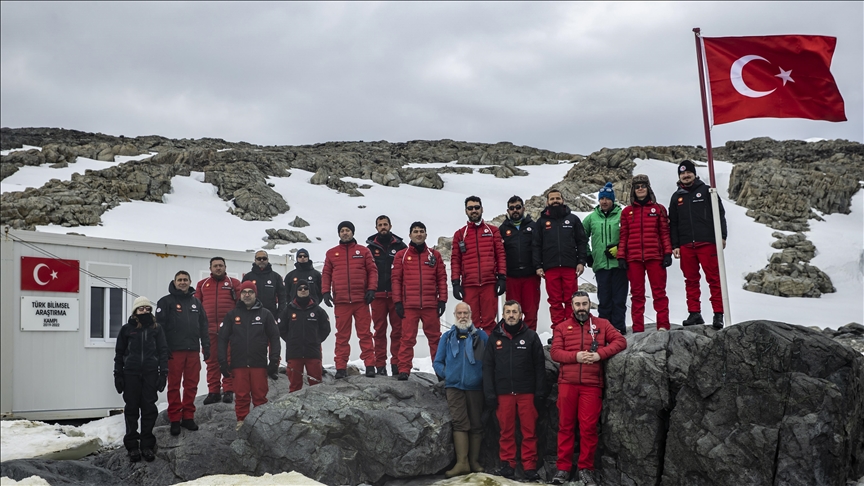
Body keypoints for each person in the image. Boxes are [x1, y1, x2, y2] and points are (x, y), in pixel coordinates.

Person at [550, 291, 626, 486]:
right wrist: (576, 357)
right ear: (572, 306)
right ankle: (563, 469)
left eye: (584, 304)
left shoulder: (602, 324)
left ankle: (586, 469)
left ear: (589, 304)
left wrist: (600, 355)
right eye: (578, 304)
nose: (581, 308)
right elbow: (555, 352)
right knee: (565, 427)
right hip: (567, 383)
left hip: (591, 385)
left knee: (589, 429)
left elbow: (620, 341)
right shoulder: (561, 327)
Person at [483, 301, 545, 482]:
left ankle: (529, 466)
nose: (511, 315)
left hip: (527, 393)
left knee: (529, 431)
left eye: (514, 312)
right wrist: (490, 394)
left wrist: (540, 392)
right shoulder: (494, 338)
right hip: (503, 394)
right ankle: (508, 464)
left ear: (521, 315)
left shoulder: (531, 337)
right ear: (503, 314)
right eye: (508, 311)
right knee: (506, 431)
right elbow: (487, 368)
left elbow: (539, 367)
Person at [669, 160, 728, 329]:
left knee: (714, 279)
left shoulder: (707, 191)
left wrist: (722, 236)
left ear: (694, 173)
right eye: (682, 174)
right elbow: (673, 223)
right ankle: (694, 313)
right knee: (691, 280)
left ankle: (718, 314)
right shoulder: (676, 197)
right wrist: (676, 245)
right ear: (679, 176)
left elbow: (720, 214)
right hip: (686, 245)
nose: (686, 176)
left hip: (707, 242)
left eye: (688, 172)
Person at [432, 302, 489, 478]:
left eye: (465, 313)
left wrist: (481, 377)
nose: (462, 316)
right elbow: (437, 361)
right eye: (459, 313)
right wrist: (447, 374)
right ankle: (462, 463)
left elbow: (489, 361)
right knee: (459, 423)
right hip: (454, 387)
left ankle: (474, 462)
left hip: (476, 387)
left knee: (476, 424)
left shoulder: (481, 336)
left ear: (470, 314)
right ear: (455, 315)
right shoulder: (447, 337)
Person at [218, 281, 281, 430]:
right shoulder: (232, 315)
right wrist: (222, 361)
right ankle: (242, 421)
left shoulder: (265, 314)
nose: (247, 294)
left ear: (255, 294)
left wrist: (273, 361)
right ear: (240, 295)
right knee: (241, 396)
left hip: (258, 364)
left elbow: (274, 338)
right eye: (244, 292)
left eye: (250, 292)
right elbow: (222, 339)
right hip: (238, 364)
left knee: (260, 396)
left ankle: (261, 423)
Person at [114, 296, 169, 463]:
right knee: (131, 409)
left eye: (147, 308)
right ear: (135, 311)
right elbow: (119, 354)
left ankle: (146, 444)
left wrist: (163, 374)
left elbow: (163, 352)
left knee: (149, 409)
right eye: (141, 308)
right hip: (130, 374)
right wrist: (118, 374)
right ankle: (132, 445)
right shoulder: (126, 330)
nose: (144, 311)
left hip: (150, 374)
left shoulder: (156, 329)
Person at [321, 221, 379, 378]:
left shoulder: (363, 251)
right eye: (342, 230)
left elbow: (372, 271)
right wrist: (325, 292)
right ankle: (340, 367)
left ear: (352, 232)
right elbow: (326, 273)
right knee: (342, 336)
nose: (345, 233)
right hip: (341, 302)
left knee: (365, 334)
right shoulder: (331, 253)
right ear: (338, 233)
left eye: (347, 230)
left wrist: (371, 289)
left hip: (361, 301)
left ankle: (370, 365)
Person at [156, 271, 209, 436]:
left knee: (191, 385)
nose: (183, 282)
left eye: (185, 280)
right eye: (180, 280)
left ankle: (188, 417)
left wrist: (206, 347)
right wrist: (162, 350)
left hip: (192, 350)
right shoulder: (165, 302)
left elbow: (204, 327)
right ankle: (174, 419)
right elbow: (159, 329)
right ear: (174, 282)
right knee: (173, 386)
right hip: (174, 351)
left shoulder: (196, 303)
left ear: (190, 282)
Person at [392, 221, 447, 380]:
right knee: (407, 339)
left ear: (426, 234)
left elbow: (441, 278)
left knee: (435, 339)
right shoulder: (401, 256)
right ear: (410, 235)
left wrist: (442, 300)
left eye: (421, 231)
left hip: (430, 305)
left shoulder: (434, 255)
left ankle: (440, 372)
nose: (418, 234)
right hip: (409, 306)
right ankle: (404, 370)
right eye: (415, 231)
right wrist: (397, 302)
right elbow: (396, 280)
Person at [618, 175, 673, 332]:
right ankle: (638, 329)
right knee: (637, 295)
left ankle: (663, 325)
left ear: (648, 188)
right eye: (637, 186)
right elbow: (624, 236)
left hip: (655, 257)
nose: (640, 188)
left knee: (659, 293)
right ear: (633, 191)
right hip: (633, 259)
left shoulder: (659, 209)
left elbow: (664, 233)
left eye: (643, 186)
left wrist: (667, 253)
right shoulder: (627, 212)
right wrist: (621, 256)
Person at [533, 189, 589, 328]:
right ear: (547, 202)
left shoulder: (573, 219)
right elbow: (536, 245)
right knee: (555, 301)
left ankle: (573, 329)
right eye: (552, 199)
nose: (555, 201)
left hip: (570, 266)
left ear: (563, 200)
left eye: (558, 198)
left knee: (572, 300)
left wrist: (581, 261)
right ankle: (559, 330)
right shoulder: (541, 222)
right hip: (550, 268)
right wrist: (538, 266)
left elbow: (581, 241)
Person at [451, 196, 507, 334]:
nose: (474, 210)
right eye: (470, 208)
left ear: (482, 209)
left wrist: (502, 277)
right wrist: (455, 283)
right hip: (469, 285)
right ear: (466, 211)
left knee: (489, 321)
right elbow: (455, 260)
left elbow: (500, 255)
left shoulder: (492, 231)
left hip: (489, 283)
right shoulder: (460, 234)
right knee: (471, 321)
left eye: (476, 207)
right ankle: (472, 353)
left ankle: (489, 353)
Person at [582, 183, 628, 334]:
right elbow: (581, 238)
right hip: (601, 266)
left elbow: (630, 237)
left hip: (620, 265)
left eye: (607, 199)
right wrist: (588, 254)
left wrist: (619, 249)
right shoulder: (591, 218)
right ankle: (604, 330)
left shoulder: (623, 215)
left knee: (619, 300)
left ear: (613, 200)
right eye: (602, 198)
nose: (604, 201)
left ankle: (619, 328)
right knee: (605, 301)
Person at [196, 256, 241, 405]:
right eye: (215, 266)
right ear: (210, 268)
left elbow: (241, 305)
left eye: (221, 265)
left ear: (225, 267)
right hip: (209, 331)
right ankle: (213, 391)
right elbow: (196, 307)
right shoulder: (202, 285)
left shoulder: (234, 283)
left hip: (229, 331)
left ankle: (228, 390)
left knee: (229, 360)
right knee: (211, 362)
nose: (218, 268)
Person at [366, 215, 408, 376]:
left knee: (398, 331)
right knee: (379, 331)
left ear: (390, 226)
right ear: (376, 227)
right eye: (380, 225)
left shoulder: (400, 246)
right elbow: (366, 271)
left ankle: (396, 364)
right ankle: (380, 365)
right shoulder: (369, 248)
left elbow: (407, 270)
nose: (383, 227)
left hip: (395, 296)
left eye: (385, 224)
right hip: (377, 296)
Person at [278, 282, 331, 392]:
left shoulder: (318, 310)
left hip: (313, 353)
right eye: (300, 288)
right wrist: (291, 340)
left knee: (316, 386)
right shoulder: (288, 310)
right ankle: (294, 409)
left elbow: (326, 329)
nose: (303, 290)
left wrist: (316, 340)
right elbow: (281, 329)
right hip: (294, 353)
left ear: (309, 291)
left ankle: (316, 409)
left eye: (305, 288)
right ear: (296, 291)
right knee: (294, 386)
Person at [499, 196, 541, 331]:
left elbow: (540, 248)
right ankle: (515, 341)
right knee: (513, 312)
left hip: (531, 276)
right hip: (512, 277)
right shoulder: (502, 229)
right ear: (508, 211)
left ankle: (530, 340)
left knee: (531, 311)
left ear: (523, 208)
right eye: (512, 208)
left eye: (518, 207)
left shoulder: (533, 226)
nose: (515, 210)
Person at [242, 250, 287, 322]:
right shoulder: (248, 277)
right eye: (259, 259)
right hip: (251, 315)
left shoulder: (276, 277)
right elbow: (242, 297)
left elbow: (282, 297)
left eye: (264, 258)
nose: (262, 260)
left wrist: (280, 314)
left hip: (271, 316)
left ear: (268, 260)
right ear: (255, 260)